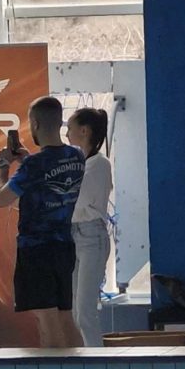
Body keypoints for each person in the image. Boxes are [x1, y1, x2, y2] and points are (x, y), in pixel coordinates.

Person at [0, 96, 86, 348]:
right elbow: (49, 175)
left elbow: (1, 198)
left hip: (36, 250)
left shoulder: (35, 165)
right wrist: (25, 160)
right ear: (59, 122)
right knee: (65, 317)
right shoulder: (76, 156)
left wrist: (2, 167)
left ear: (34, 123)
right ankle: (85, 368)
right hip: (64, 247)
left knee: (46, 320)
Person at [66, 107, 113, 347]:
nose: (67, 134)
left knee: (85, 313)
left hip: (92, 237)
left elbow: (78, 198)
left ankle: (98, 361)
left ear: (84, 131)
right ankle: (87, 357)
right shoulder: (80, 163)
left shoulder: (99, 164)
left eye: (70, 128)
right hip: (75, 235)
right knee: (76, 313)